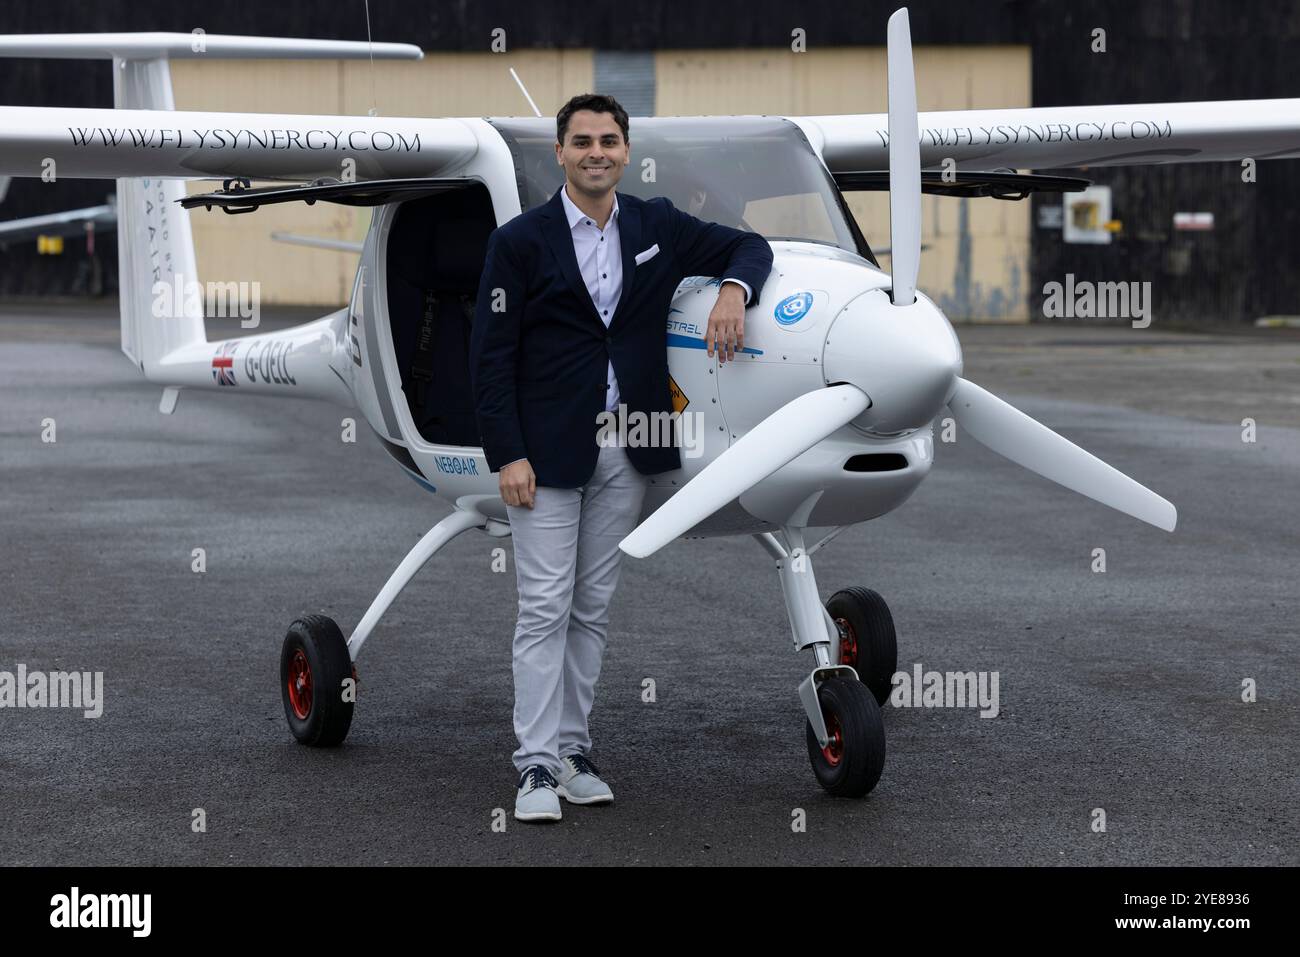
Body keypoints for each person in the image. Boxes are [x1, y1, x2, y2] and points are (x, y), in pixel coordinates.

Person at [469, 93, 773, 822]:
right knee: (545, 606)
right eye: (582, 141)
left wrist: (734, 289)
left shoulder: (655, 225)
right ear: (560, 152)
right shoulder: (519, 242)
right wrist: (507, 453)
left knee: (592, 608)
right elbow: (489, 356)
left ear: (627, 151)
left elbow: (750, 245)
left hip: (628, 447)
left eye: (609, 140)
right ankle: (535, 766)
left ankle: (574, 751)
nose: (597, 152)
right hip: (544, 455)